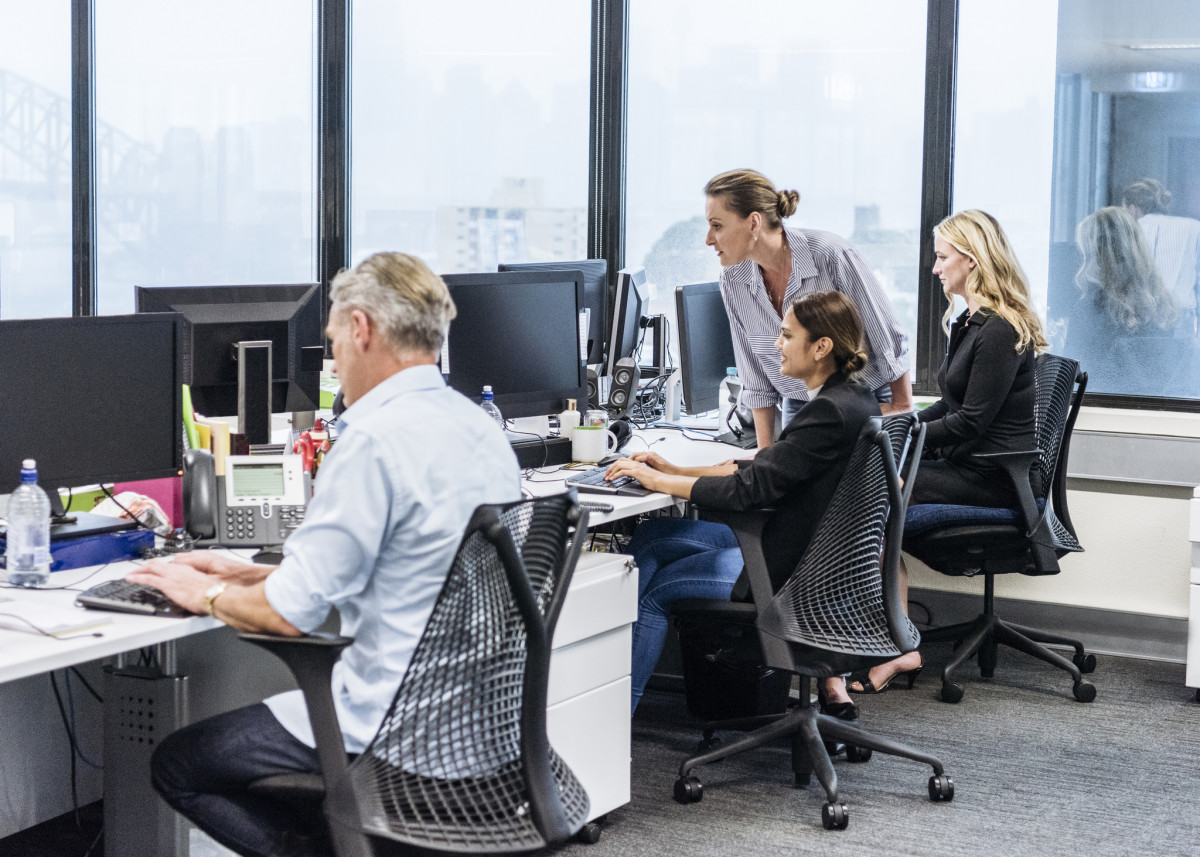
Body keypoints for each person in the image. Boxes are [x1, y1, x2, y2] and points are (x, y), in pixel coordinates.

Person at [127, 252, 521, 857]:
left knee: (180, 763)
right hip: (475, 730)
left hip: (393, 730)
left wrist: (202, 593)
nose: (333, 360)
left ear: (361, 328)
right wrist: (245, 572)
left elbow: (291, 617)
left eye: (334, 339)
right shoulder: (478, 428)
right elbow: (401, 562)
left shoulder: (371, 439)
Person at [605, 291, 881, 715]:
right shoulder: (852, 399)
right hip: (816, 557)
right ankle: (607, 682)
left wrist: (655, 479)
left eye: (787, 335)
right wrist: (673, 469)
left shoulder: (829, 412)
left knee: (656, 591)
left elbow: (749, 492)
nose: (776, 344)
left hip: (788, 574)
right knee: (653, 536)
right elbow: (769, 466)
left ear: (821, 347)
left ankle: (615, 718)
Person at [851, 209, 1046, 695]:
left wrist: (899, 439)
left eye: (942, 257)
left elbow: (971, 422)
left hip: (994, 480)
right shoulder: (972, 322)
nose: (935, 269)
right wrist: (895, 424)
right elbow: (950, 405)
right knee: (874, 494)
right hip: (968, 465)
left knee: (874, 499)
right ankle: (889, 641)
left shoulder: (1001, 329)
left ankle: (892, 646)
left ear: (973, 259)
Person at [704, 168, 911, 449]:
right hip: (801, 407)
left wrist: (900, 406)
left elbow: (885, 334)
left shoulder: (830, 255)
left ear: (754, 222)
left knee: (859, 491)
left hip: (866, 401)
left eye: (717, 226)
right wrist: (764, 455)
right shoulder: (733, 280)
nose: (709, 238)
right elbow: (754, 376)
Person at [1066, 206, 1187, 396]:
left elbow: (1068, 379)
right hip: (1152, 410)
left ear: (1098, 253)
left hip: (1098, 410)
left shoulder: (1091, 308)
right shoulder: (1163, 306)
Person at [1122, 177, 1200, 336]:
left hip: (1141, 322)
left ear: (1132, 209)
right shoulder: (1194, 227)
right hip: (1183, 322)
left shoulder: (1130, 231)